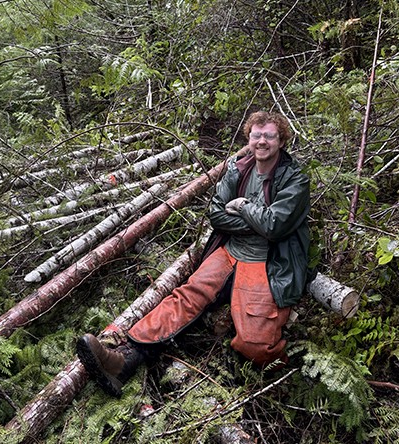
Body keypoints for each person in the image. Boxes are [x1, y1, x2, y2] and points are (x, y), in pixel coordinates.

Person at [76, 111, 311, 397]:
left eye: (269, 136)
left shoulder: (294, 179)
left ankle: (286, 383)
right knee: (187, 295)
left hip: (267, 263)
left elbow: (275, 227)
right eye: (256, 135)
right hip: (229, 252)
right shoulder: (238, 169)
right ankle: (123, 361)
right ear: (248, 138)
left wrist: (242, 206)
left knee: (256, 345)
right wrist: (255, 223)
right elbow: (216, 215)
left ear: (281, 140)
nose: (262, 141)